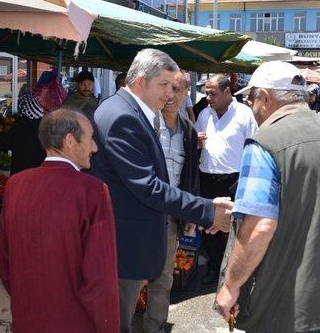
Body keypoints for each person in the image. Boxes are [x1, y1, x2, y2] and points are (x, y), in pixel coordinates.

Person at [89, 48, 232, 333]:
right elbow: (149, 187)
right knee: (117, 322)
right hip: (123, 243)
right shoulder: (122, 117)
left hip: (129, 238)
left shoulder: (129, 111)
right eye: (164, 85)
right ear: (141, 81)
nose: (170, 94)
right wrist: (206, 210)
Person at [215, 61, 320, 333]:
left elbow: (260, 226)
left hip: (286, 307)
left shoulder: (265, 143)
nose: (250, 106)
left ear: (265, 98)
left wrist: (231, 286)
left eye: (250, 98)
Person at [0, 109, 119, 332]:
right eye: (91, 138)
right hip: (75, 324)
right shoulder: (92, 191)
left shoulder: (16, 184)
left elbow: (5, 263)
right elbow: (100, 279)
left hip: (26, 320)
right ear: (70, 141)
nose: (95, 147)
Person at [144, 71, 200, 333]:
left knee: (164, 276)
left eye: (176, 89)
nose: (170, 95)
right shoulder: (145, 123)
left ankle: (154, 326)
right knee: (131, 276)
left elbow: (191, 173)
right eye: (166, 88)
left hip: (168, 214)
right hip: (139, 211)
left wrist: (189, 216)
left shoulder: (188, 129)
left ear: (186, 94)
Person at [194, 73, 258, 284]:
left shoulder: (244, 114)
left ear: (227, 91)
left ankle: (233, 271)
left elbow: (253, 146)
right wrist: (197, 142)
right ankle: (214, 266)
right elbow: (195, 143)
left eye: (212, 94)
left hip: (233, 179)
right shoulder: (204, 114)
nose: (208, 98)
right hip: (207, 178)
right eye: (206, 94)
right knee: (209, 225)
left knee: (234, 227)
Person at [6, 92, 47, 174]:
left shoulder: (18, 125)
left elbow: (7, 144)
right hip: (39, 171)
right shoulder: (45, 125)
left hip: (19, 171)